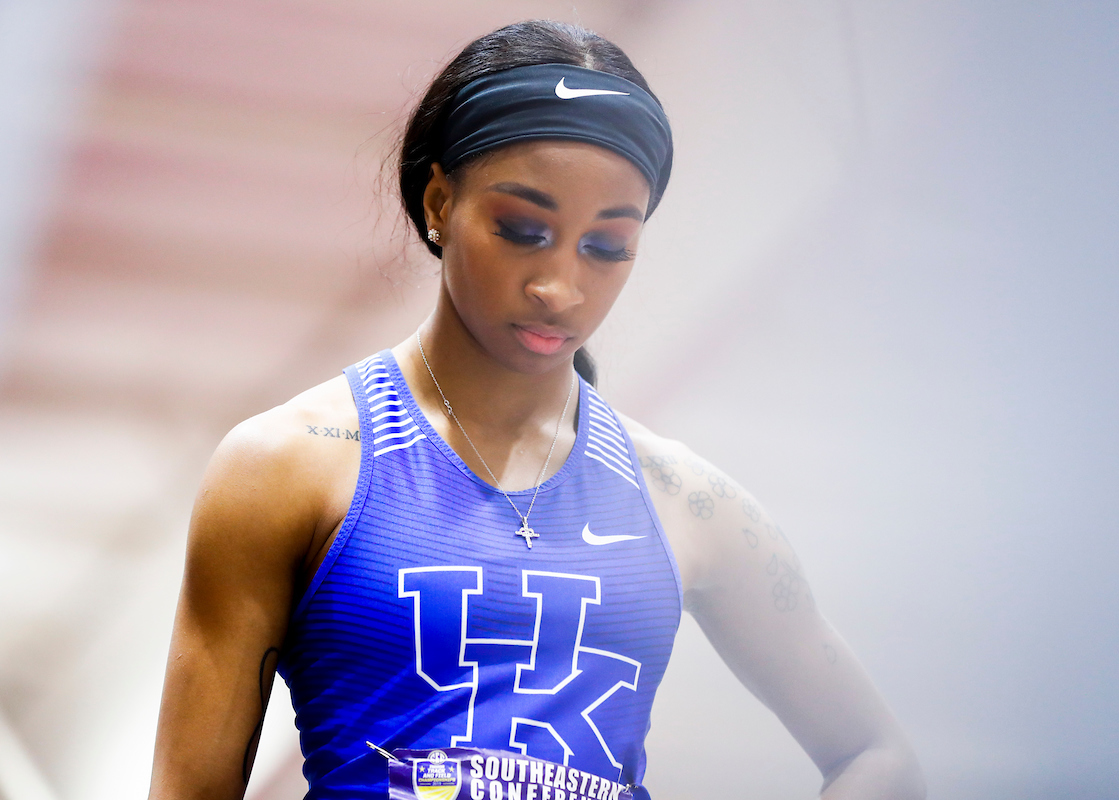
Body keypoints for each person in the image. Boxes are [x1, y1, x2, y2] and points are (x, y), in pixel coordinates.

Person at [149, 19, 925, 800]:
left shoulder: (687, 503)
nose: (559, 287)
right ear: (439, 200)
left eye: (607, 246)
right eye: (523, 230)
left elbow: (875, 755)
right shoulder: (289, 467)